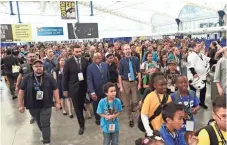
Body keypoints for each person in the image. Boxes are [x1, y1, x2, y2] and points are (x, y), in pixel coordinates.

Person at [18, 59, 61, 145]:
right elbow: (21, 91)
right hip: (32, 105)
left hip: (46, 104)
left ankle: (47, 141)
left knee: (45, 123)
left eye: (40, 66)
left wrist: (57, 102)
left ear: (43, 67)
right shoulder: (27, 77)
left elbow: (55, 89)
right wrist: (20, 105)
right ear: (32, 68)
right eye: (36, 66)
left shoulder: (49, 77)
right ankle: (42, 131)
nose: (38, 68)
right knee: (38, 120)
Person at [63, 45, 89, 135]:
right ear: (73, 52)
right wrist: (65, 89)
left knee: (81, 105)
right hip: (73, 88)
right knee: (77, 108)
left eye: (79, 51)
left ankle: (83, 110)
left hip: (84, 87)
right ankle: (81, 125)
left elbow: (87, 75)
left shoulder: (85, 61)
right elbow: (65, 77)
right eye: (76, 51)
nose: (78, 53)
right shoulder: (68, 62)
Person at [187, 42, 217, 109]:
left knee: (203, 89)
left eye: (200, 46)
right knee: (193, 91)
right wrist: (194, 73)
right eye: (198, 46)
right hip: (194, 77)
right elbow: (190, 66)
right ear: (194, 47)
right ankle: (193, 104)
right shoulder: (191, 56)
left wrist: (218, 61)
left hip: (202, 76)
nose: (200, 47)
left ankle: (202, 102)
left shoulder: (201, 54)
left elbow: (209, 59)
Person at [141, 72, 172, 137]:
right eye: (161, 85)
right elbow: (144, 115)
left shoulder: (168, 97)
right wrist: (149, 131)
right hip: (154, 131)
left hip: (166, 130)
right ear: (154, 85)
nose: (164, 87)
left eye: (165, 84)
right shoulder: (150, 96)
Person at [118, 44, 141, 128]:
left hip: (134, 82)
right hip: (125, 83)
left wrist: (139, 83)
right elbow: (120, 75)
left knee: (135, 101)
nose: (127, 50)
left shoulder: (136, 59)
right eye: (125, 49)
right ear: (123, 51)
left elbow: (138, 72)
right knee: (127, 103)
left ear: (130, 50)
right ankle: (130, 118)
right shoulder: (121, 61)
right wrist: (120, 86)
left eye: (128, 49)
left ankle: (131, 109)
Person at [87, 52, 110, 125]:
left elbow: (108, 76)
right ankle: (97, 119)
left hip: (105, 90)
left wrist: (110, 88)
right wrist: (92, 92)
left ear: (102, 57)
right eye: (96, 57)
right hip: (96, 91)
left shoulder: (105, 65)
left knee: (106, 104)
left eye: (99, 56)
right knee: (97, 105)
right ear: (92, 58)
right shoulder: (90, 67)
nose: (98, 58)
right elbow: (89, 80)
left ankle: (107, 116)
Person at [15, 52, 36, 124]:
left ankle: (38, 114)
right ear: (27, 57)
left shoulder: (38, 65)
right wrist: (17, 85)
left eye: (33, 56)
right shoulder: (23, 66)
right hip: (27, 89)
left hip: (38, 88)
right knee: (29, 104)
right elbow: (20, 76)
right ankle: (33, 116)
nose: (32, 58)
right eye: (30, 56)